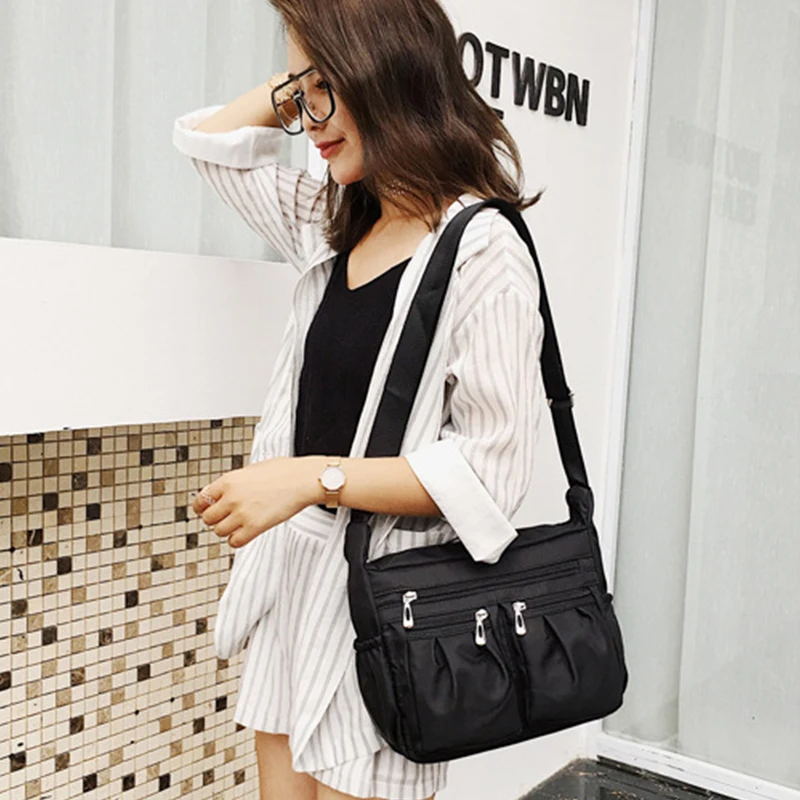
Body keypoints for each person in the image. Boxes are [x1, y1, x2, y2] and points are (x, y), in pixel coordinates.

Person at [172, 1, 547, 798]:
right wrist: (305, 75)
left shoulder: (481, 251)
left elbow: (489, 477)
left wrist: (312, 477)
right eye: (298, 94)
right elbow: (207, 143)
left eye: (325, 88)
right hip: (294, 586)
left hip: (388, 608)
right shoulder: (336, 220)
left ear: (388, 71)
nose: (307, 119)